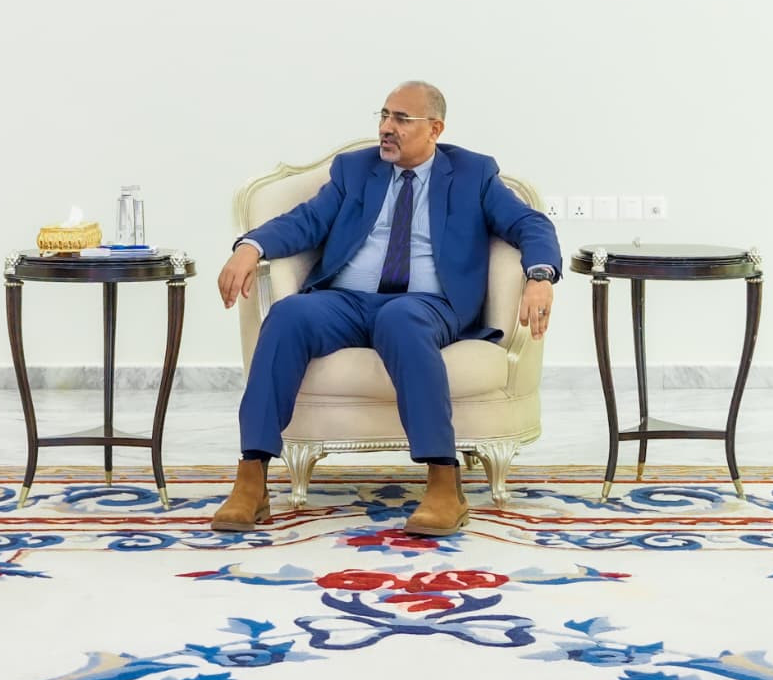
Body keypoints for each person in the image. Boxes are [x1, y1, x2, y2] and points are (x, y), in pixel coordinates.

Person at [212, 81, 562, 536]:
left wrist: (539, 275)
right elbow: (306, 221)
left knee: (400, 319)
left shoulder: (473, 173)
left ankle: (444, 483)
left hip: (428, 304)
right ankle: (251, 479)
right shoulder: (355, 170)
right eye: (383, 115)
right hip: (346, 301)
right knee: (288, 315)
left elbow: (530, 223)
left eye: (401, 119)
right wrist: (251, 246)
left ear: (435, 129)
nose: (386, 128)